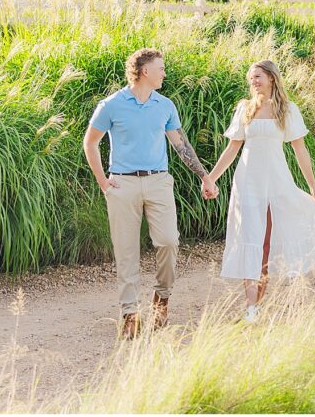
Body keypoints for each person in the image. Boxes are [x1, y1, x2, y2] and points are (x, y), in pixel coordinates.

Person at [83, 48, 218, 339]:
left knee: (169, 241)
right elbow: (90, 143)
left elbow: (181, 146)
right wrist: (103, 183)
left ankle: (162, 298)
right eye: (161, 68)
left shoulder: (165, 105)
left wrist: (205, 176)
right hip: (122, 185)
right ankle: (130, 313)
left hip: (158, 182)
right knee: (126, 251)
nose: (164, 73)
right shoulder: (112, 105)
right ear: (145, 71)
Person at [207, 59, 315, 323]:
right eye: (251, 78)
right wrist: (211, 179)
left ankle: (263, 301)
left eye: (258, 76)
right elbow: (232, 148)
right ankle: (251, 309)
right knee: (251, 238)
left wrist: (313, 186)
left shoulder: (287, 110)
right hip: (248, 181)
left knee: (267, 243)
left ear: (271, 78)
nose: (253, 81)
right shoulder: (244, 109)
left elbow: (300, 149)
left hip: (277, 180)